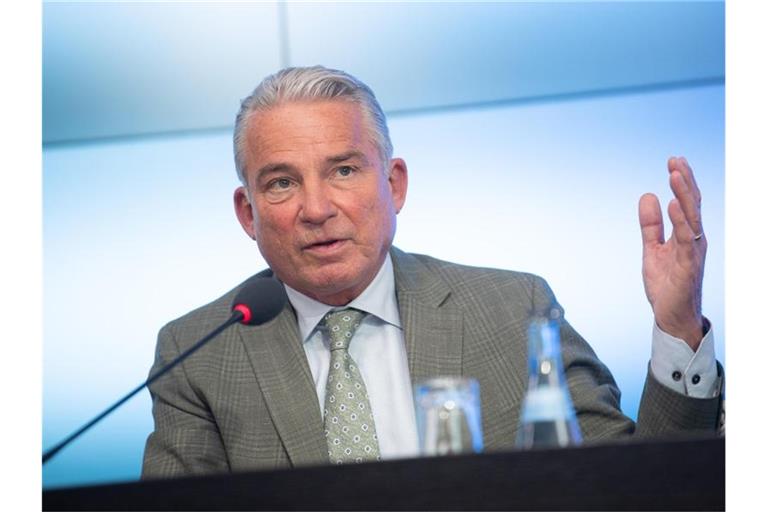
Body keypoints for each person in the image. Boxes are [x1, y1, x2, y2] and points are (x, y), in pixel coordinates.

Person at [141, 66, 722, 478]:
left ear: (394, 184)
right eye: (282, 182)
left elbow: (638, 489)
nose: (315, 208)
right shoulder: (197, 354)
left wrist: (677, 329)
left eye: (343, 170)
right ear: (248, 213)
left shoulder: (512, 310)